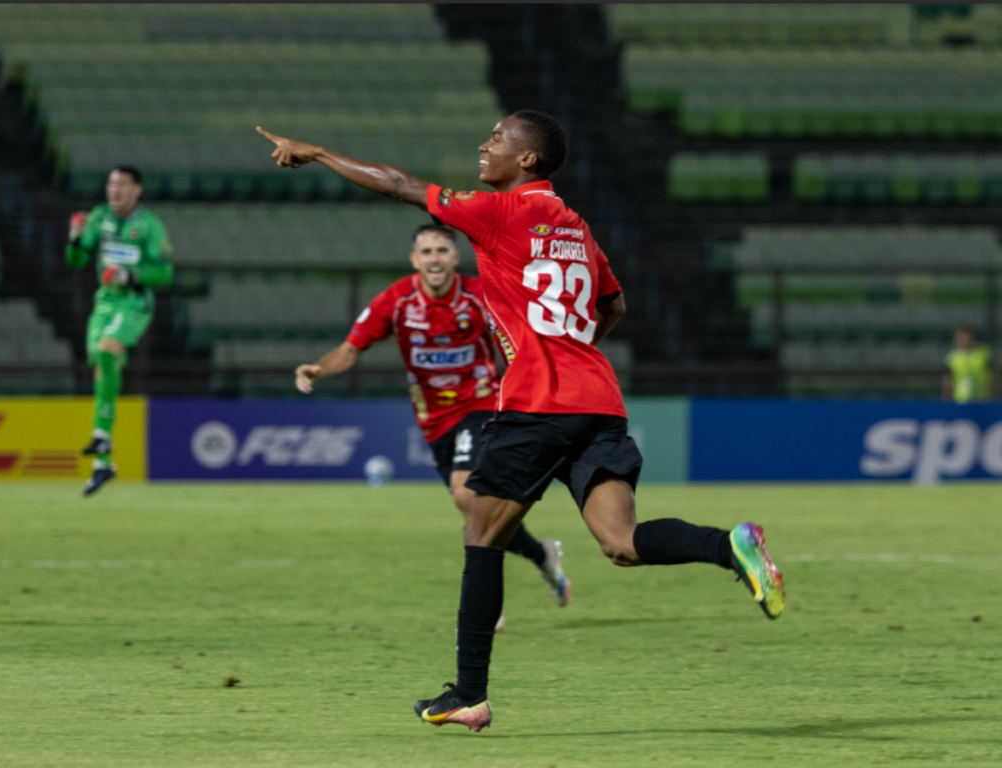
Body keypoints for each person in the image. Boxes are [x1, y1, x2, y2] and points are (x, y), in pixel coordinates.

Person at [256, 110, 785, 733]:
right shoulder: (576, 227)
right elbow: (614, 303)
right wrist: (568, 346)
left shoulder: (499, 211)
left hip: (536, 404)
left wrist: (316, 152)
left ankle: (468, 695)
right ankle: (730, 547)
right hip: (598, 402)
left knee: (482, 538)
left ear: (527, 159)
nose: (485, 145)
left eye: (498, 138)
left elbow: (399, 185)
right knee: (621, 542)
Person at [293, 222, 571, 621]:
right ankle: (541, 555)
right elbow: (351, 349)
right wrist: (318, 369)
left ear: (456, 257)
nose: (435, 259)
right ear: (414, 260)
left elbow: (524, 335)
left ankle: (487, 605)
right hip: (434, 421)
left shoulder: (479, 295)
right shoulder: (398, 300)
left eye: (442, 251)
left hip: (483, 405)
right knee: (478, 514)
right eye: (427, 252)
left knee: (465, 493)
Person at [66, 166, 174, 497]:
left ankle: (102, 437)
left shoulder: (149, 226)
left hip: (134, 304)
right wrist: (74, 238)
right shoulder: (99, 217)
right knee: (102, 369)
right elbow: (75, 261)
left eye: (123, 185)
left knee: (107, 351)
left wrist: (130, 276)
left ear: (137, 190)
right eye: (111, 184)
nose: (115, 190)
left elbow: (164, 272)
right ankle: (102, 463)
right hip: (104, 304)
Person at [942, 323, 994, 403]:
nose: (961, 340)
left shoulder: (984, 354)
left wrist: (992, 398)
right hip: (960, 401)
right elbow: (948, 382)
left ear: (972, 337)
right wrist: (947, 401)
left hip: (981, 400)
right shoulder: (952, 357)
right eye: (959, 337)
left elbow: (992, 378)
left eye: (964, 336)